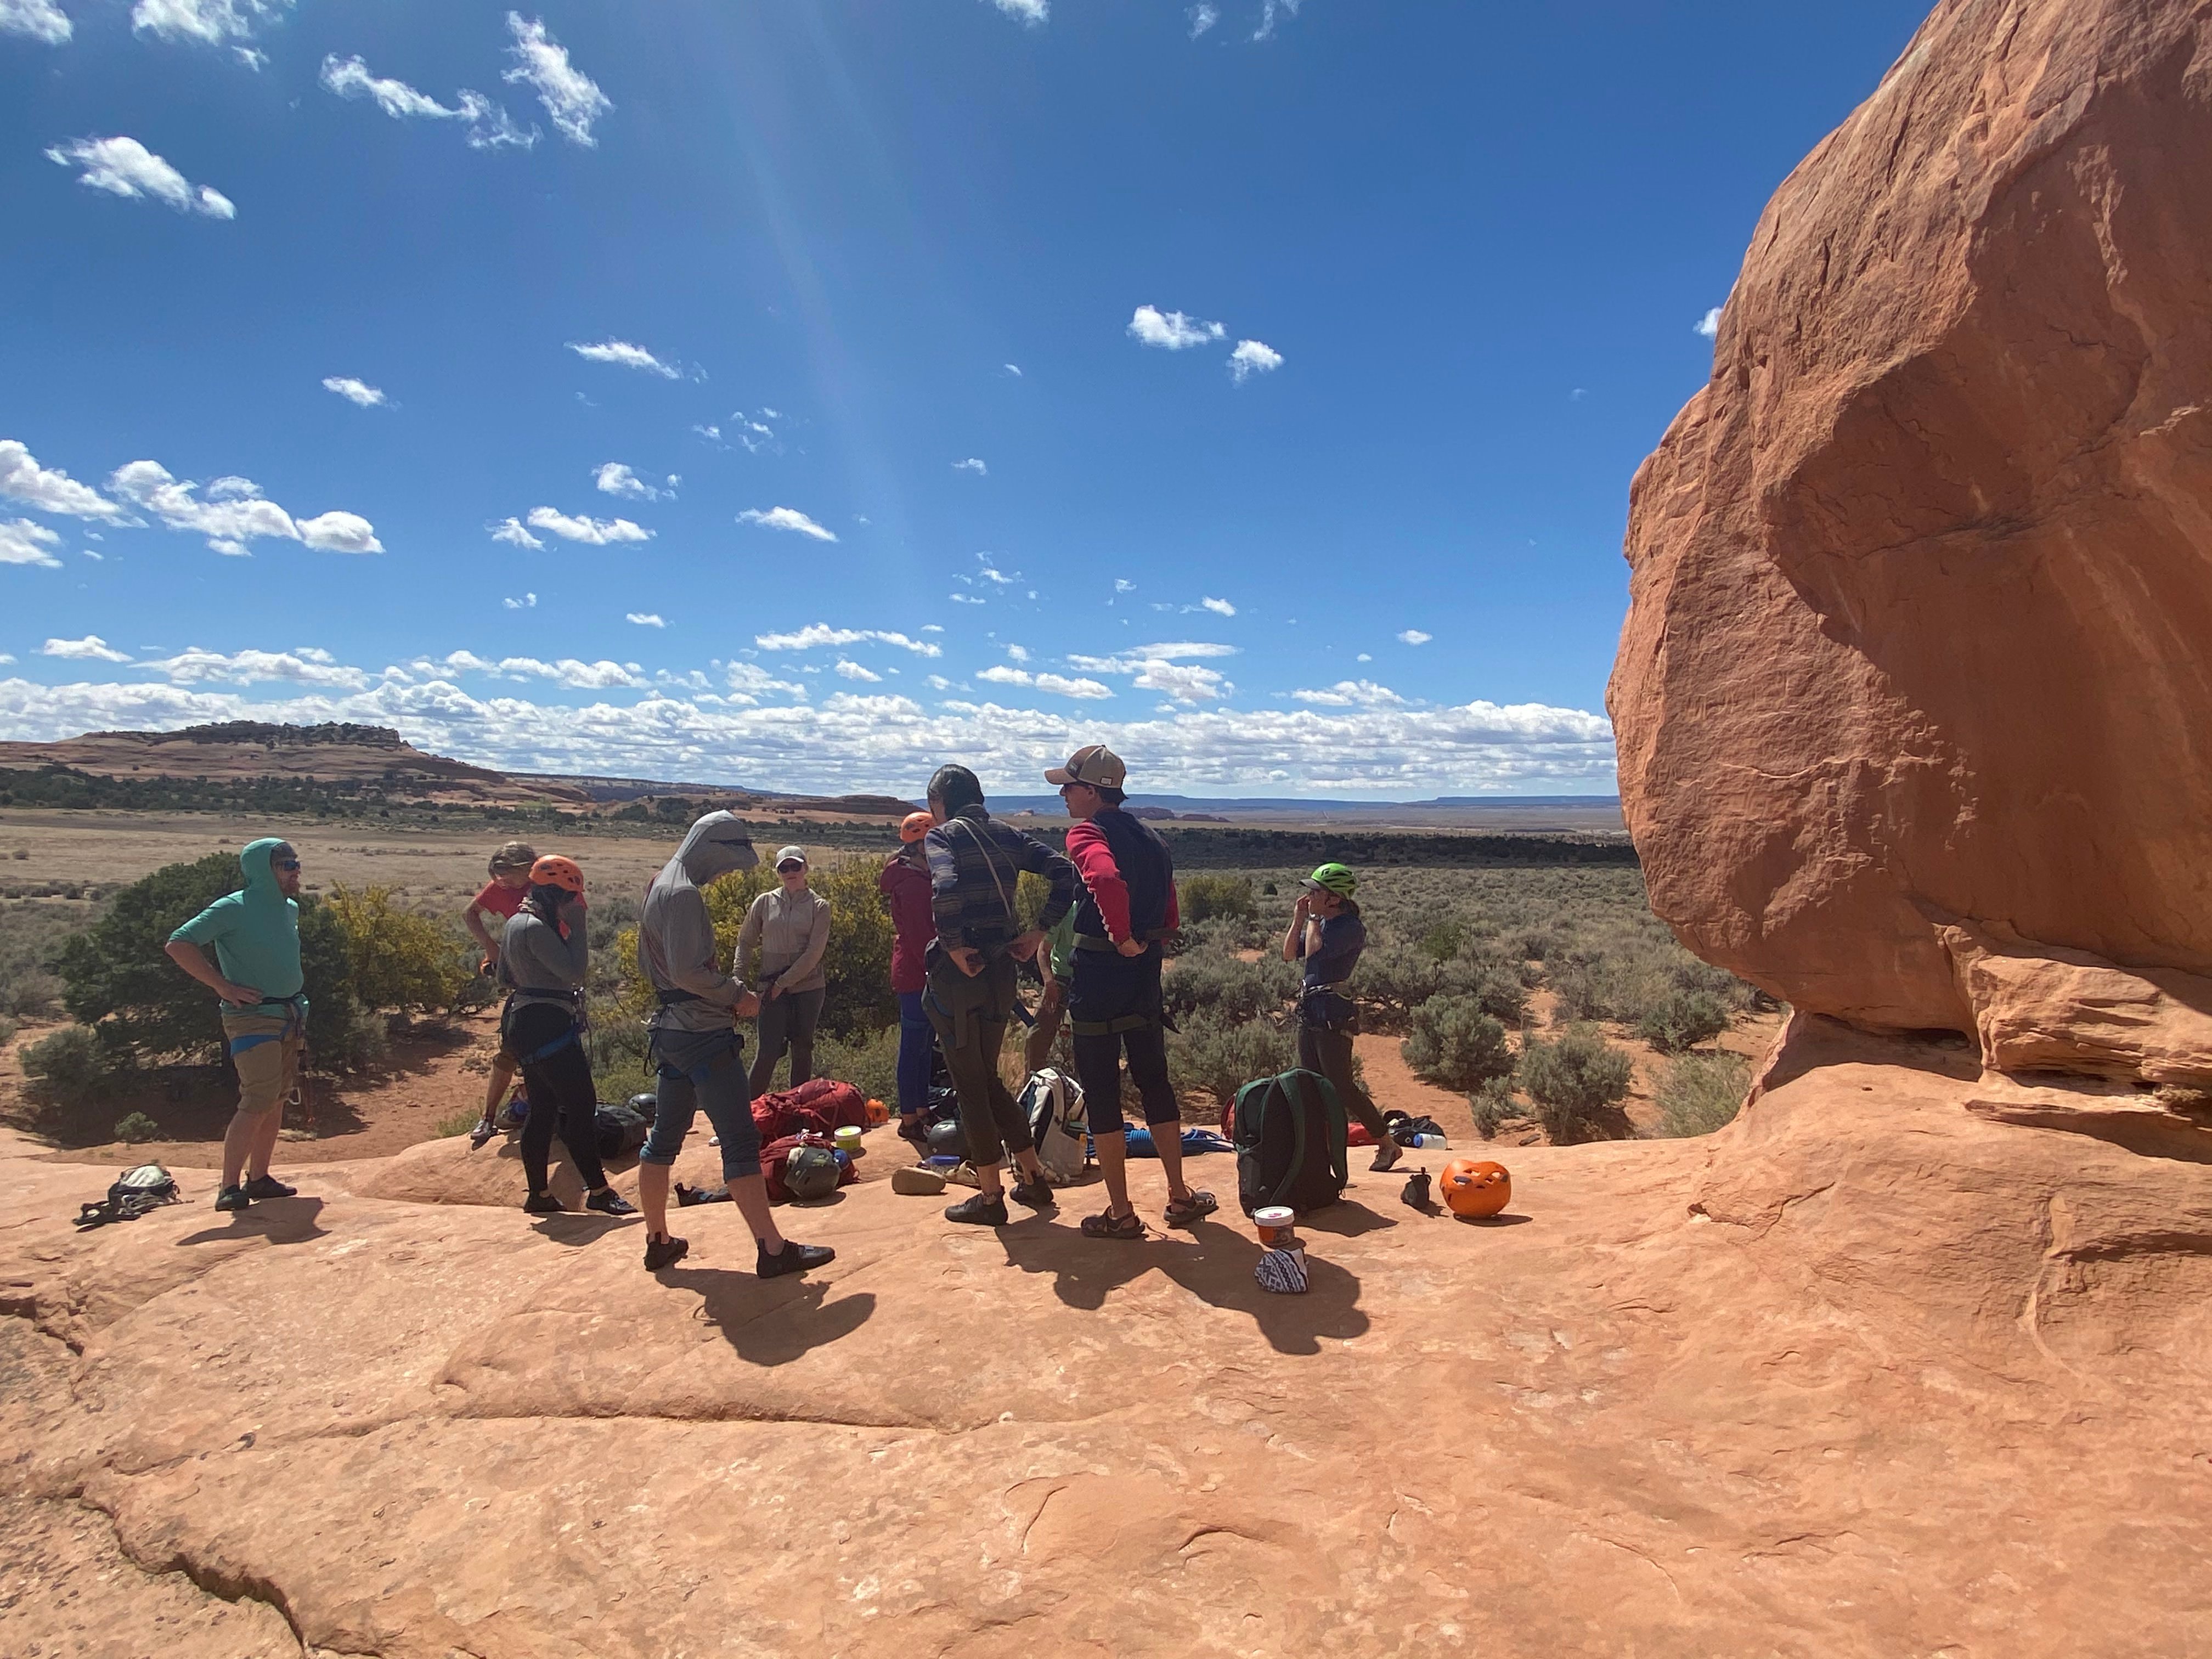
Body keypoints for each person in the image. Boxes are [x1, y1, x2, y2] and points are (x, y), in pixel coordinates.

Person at [634, 811, 834, 1278]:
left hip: (670, 1029)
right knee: (741, 1141)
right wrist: (735, 997)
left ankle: (658, 1241)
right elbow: (689, 972)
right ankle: (772, 1249)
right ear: (713, 849)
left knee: (664, 1137)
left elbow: (656, 965)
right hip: (703, 1033)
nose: (724, 875)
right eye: (725, 865)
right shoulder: (683, 893)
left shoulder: (658, 883)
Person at [1048, 744, 1217, 1237]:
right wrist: (1146, 941)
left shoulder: (1086, 831)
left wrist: (1120, 936)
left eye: (1069, 786)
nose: (1063, 794)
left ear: (1093, 791)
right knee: (1154, 1082)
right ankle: (1180, 1196)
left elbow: (1102, 876)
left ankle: (1121, 1213)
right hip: (1144, 975)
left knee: (1102, 1090)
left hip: (1100, 978)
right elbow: (1169, 905)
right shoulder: (1152, 838)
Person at [921, 763, 1077, 1226]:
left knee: (971, 1087)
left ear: (940, 802)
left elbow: (945, 888)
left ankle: (990, 1198)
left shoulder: (943, 836)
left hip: (963, 974)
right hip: (1004, 972)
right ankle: (1032, 1179)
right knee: (987, 1079)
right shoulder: (1009, 836)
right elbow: (1064, 873)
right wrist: (1039, 930)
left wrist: (951, 946)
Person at [163, 838, 309, 1213]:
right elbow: (179, 943)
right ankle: (228, 1187)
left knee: (276, 1099)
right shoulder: (232, 907)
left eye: (295, 863)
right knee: (258, 1098)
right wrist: (223, 987)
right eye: (286, 865)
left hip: (288, 1014)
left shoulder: (289, 909)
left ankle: (259, 1178)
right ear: (264, 869)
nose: (296, 871)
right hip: (252, 1018)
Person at [497, 856, 637, 1217]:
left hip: (525, 1023)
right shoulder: (535, 928)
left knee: (542, 1108)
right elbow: (576, 972)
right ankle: (599, 1192)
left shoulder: (515, 923)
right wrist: (578, 925)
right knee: (580, 1106)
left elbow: (503, 976)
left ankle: (539, 1195)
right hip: (547, 1025)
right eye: (570, 899)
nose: (572, 906)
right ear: (556, 896)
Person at [1283, 862, 1400, 1172]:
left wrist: (1311, 920)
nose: (1309, 897)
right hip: (1311, 1007)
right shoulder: (1319, 923)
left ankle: (1387, 1143)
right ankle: (1315, 1153)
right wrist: (1299, 921)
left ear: (1334, 898)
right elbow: (1288, 953)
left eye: (1316, 892)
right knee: (1309, 1081)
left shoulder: (1348, 927)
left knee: (1341, 1084)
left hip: (1332, 1010)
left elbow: (1313, 953)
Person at [738, 846, 832, 1097]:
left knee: (802, 1049)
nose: (791, 872)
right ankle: (746, 1117)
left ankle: (796, 1111)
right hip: (769, 988)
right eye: (784, 868)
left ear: (806, 868)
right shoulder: (765, 902)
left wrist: (783, 983)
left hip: (808, 988)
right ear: (777, 872)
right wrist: (738, 980)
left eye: (796, 866)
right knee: (767, 1051)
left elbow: (814, 953)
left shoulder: (819, 906)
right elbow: (745, 941)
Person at [461, 840, 536, 1149]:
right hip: (521, 975)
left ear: (526, 869)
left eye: (506, 875)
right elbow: (470, 914)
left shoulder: (546, 881)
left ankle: (531, 1104)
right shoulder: (500, 888)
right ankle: (489, 1117)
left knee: (548, 1049)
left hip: (550, 974)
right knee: (511, 1046)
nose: (500, 882)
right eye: (497, 876)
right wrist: (492, 948)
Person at [879, 810, 938, 1145]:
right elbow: (920, 937)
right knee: (915, 1043)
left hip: (915, 970)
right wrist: (935, 971)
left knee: (922, 1045)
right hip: (917, 972)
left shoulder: (915, 878)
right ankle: (910, 1117)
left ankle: (920, 1110)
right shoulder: (914, 885)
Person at [1022, 902, 1077, 1076]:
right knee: (1036, 1036)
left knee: (1088, 1042)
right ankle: (1033, 1087)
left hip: (1088, 982)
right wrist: (1049, 983)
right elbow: (1043, 951)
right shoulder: (1066, 912)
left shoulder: (1101, 909)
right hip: (1060, 981)